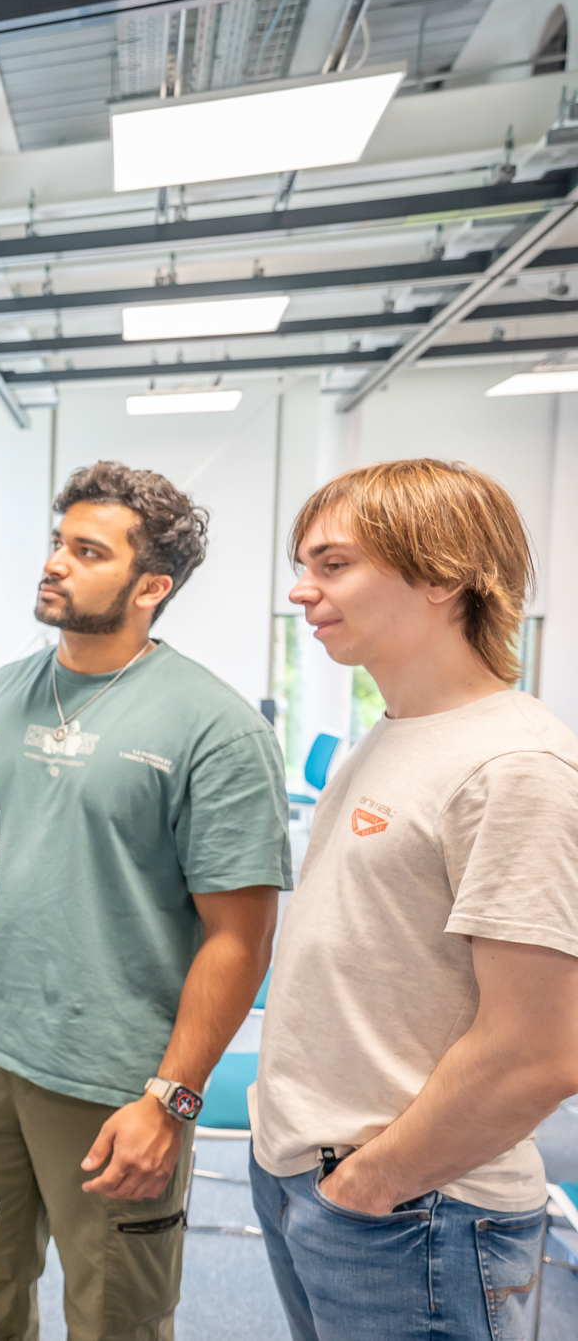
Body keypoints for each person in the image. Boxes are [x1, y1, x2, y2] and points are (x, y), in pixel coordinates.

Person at [251, 459, 578, 1341]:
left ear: (441, 573)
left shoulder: (516, 767)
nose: (300, 590)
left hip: (415, 1208)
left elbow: (537, 1052)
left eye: (332, 563)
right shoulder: (387, 739)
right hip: (322, 1181)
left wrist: (373, 1183)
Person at [0, 462, 289, 1341]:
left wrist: (171, 1101)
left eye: (86, 550)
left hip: (115, 1086)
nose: (55, 563)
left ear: (152, 585)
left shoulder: (215, 728)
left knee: (116, 1319)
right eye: (56, 542)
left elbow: (240, 939)